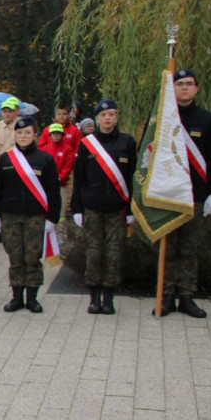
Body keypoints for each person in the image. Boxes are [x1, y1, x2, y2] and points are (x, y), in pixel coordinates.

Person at [160, 68, 211, 317]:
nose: (184, 88)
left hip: (195, 196)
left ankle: (186, 296)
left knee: (189, 249)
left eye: (189, 84)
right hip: (166, 195)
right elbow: (149, 157)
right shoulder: (162, 120)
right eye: (179, 84)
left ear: (196, 89)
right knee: (168, 248)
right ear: (172, 89)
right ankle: (165, 296)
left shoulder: (208, 120)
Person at [71, 99, 136, 315]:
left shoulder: (127, 142)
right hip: (92, 209)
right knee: (93, 253)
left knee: (113, 254)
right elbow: (79, 178)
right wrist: (76, 208)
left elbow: (133, 178)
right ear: (97, 119)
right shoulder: (87, 144)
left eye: (111, 114)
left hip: (117, 210)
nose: (107, 118)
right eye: (103, 115)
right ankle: (94, 298)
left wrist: (131, 210)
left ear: (116, 117)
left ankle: (109, 298)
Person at [0, 116, 61, 313]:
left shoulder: (45, 159)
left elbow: (53, 191)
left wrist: (53, 218)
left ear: (35, 134)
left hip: (34, 217)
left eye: (27, 132)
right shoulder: (5, 159)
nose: (23, 136)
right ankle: (16, 297)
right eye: (19, 133)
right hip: (10, 216)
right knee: (15, 257)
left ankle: (32, 298)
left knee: (32, 257)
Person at [0, 96, 21, 244]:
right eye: (4, 111)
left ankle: (16, 230)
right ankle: (0, 230)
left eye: (10, 111)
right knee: (0, 200)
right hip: (1, 172)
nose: (7, 114)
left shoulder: (21, 127)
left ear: (16, 112)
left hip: (18, 171)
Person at [37, 123, 76, 201]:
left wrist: (59, 178)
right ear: (50, 135)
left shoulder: (68, 149)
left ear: (62, 135)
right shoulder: (45, 149)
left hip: (62, 184)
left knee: (62, 208)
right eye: (53, 133)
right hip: (47, 184)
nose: (56, 135)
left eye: (58, 133)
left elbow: (67, 166)